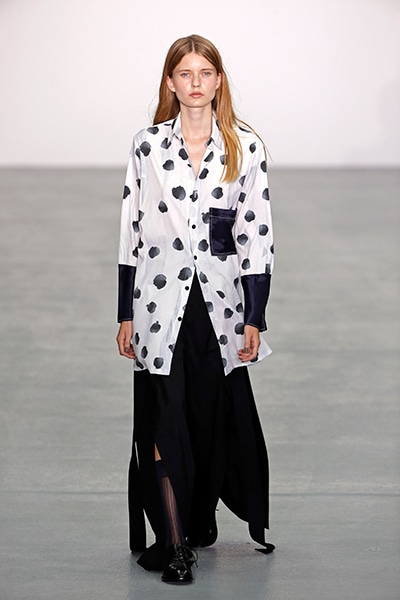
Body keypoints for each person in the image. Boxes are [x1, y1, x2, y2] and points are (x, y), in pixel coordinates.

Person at [116, 34, 275, 585]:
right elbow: (131, 231)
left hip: (219, 308)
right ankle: (175, 542)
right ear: (170, 82)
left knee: (207, 422)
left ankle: (198, 518)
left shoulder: (244, 148)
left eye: (205, 73)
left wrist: (255, 316)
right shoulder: (147, 146)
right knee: (164, 420)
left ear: (218, 80)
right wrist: (124, 312)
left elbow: (257, 235)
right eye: (185, 73)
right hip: (157, 308)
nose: (195, 82)